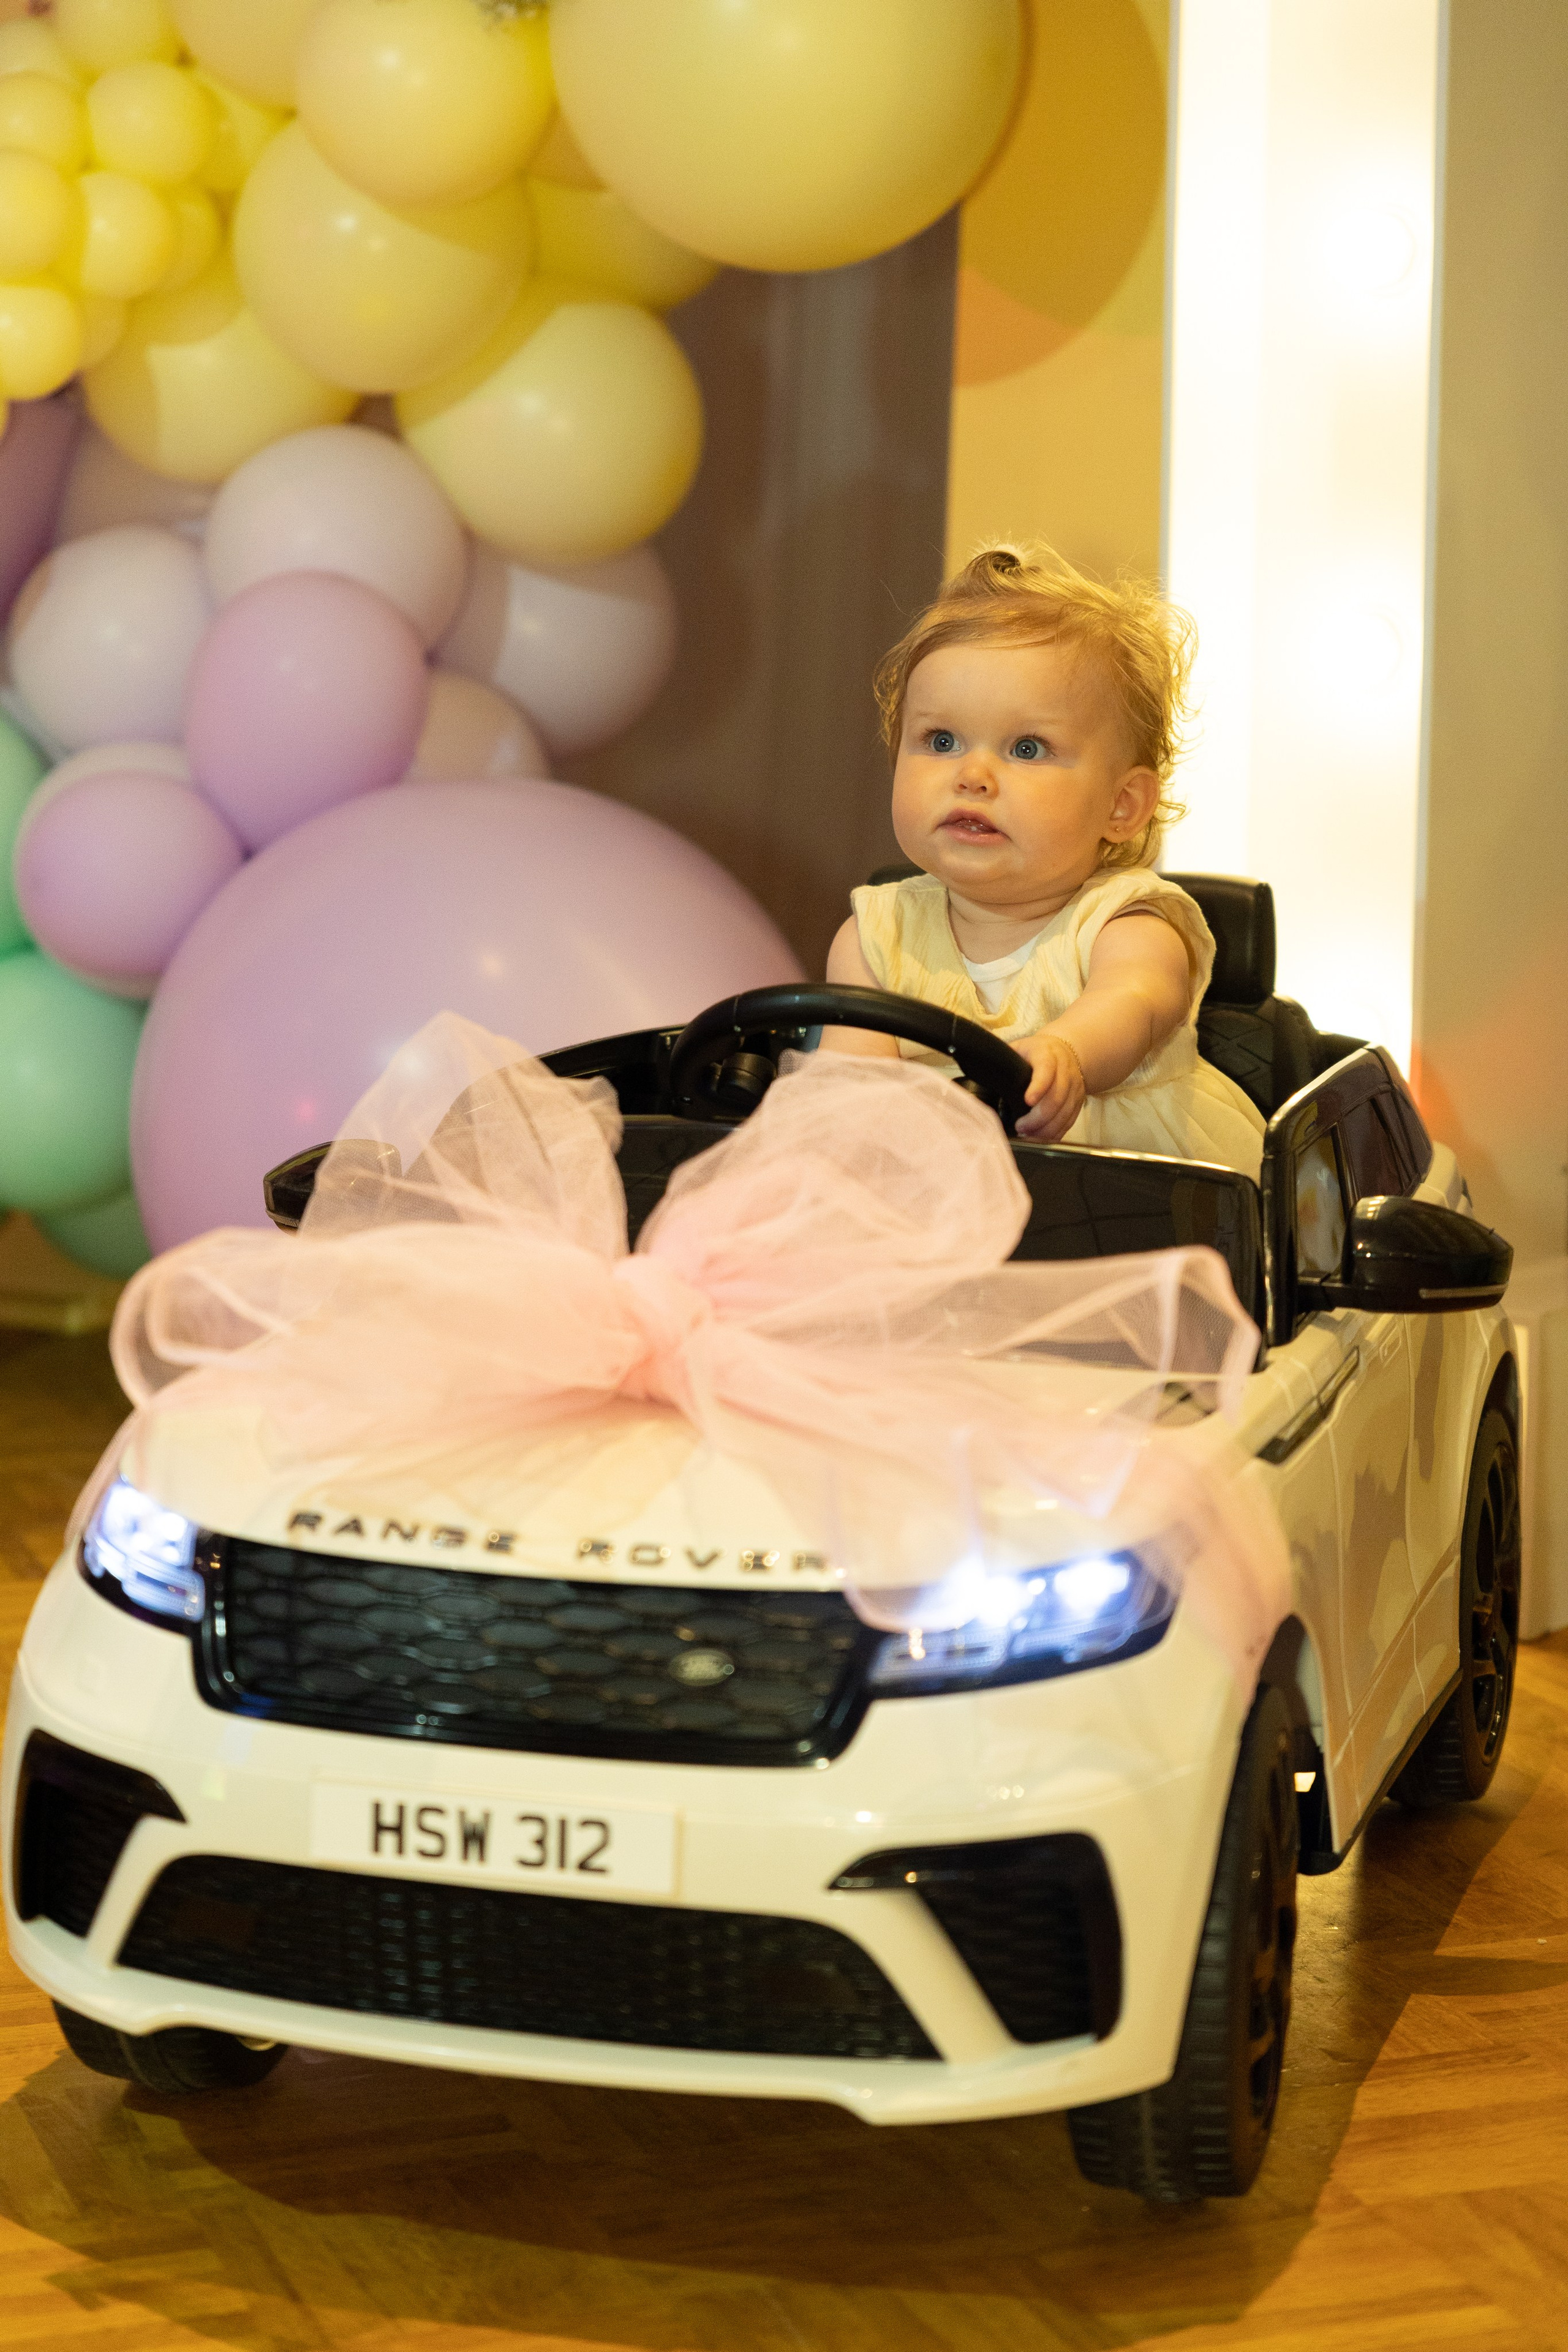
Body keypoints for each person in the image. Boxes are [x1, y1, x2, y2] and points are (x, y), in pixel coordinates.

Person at [822, 546, 1266, 1178]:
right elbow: (850, 1090)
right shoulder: (872, 938)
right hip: (932, 1189)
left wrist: (1068, 1052)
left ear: (1122, 804)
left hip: (1124, 1192)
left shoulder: (1126, 924)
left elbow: (1135, 1000)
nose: (971, 775)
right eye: (940, 741)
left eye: (1026, 748)